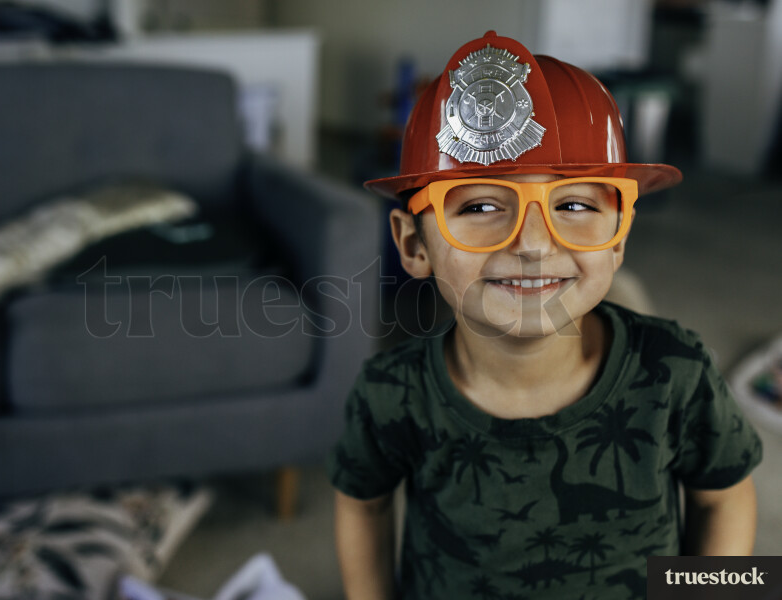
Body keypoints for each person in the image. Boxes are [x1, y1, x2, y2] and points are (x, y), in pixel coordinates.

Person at [326, 31, 763, 600]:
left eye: (575, 204)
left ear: (619, 237)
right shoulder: (389, 393)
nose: (533, 243)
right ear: (413, 245)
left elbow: (725, 495)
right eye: (481, 205)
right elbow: (364, 505)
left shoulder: (678, 372)